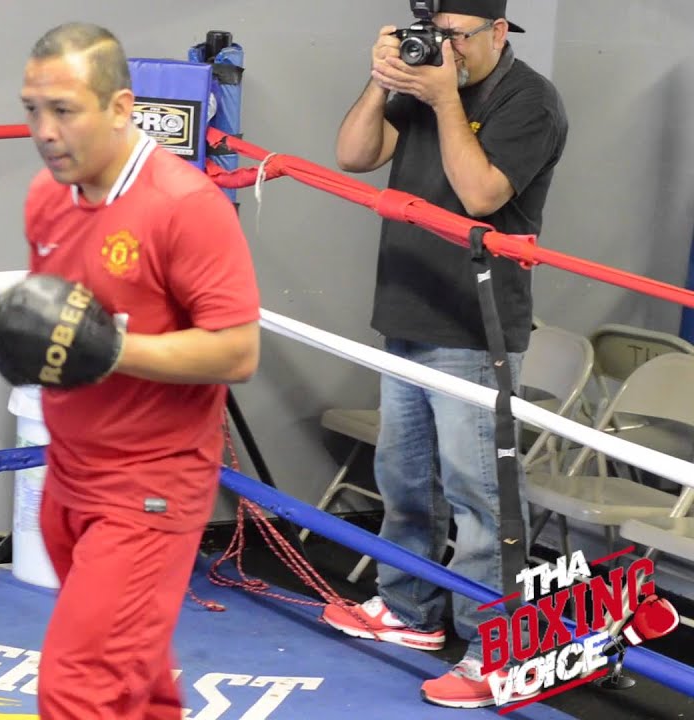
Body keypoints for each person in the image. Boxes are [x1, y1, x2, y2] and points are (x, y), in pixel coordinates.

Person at [320, 0, 567, 709]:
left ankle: (496, 652)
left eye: (457, 36)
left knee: (479, 498)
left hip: (473, 326)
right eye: (434, 35)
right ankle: (409, 610)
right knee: (404, 482)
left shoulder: (530, 100)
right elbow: (353, 155)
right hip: (406, 308)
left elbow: (481, 195)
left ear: (498, 32)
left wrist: (443, 99)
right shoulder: (426, 79)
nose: (444, 48)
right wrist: (381, 80)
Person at [14, 22, 262, 719]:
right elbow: (61, 331)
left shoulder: (183, 206)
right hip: (70, 472)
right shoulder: (47, 196)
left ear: (121, 107)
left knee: (79, 687)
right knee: (139, 686)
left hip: (149, 490)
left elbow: (238, 351)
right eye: (33, 109)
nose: (45, 131)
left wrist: (112, 349)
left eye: (64, 110)